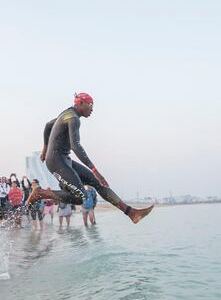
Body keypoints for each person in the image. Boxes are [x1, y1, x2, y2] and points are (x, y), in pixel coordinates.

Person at [27, 92, 153, 224]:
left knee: (97, 183)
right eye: (90, 105)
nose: (92, 109)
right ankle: (40, 193)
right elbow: (76, 146)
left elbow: (48, 125)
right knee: (80, 197)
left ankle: (131, 212)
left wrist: (45, 148)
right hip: (56, 161)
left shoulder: (66, 114)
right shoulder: (73, 118)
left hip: (63, 159)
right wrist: (94, 170)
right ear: (81, 103)